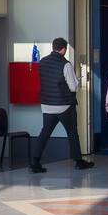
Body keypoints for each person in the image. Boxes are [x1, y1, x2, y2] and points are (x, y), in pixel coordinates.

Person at [31, 37, 94, 173]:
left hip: (47, 105)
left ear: (53, 47)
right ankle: (78, 162)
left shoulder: (42, 62)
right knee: (72, 132)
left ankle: (35, 161)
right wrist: (77, 82)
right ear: (64, 49)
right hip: (64, 105)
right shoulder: (66, 64)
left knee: (45, 133)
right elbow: (72, 87)